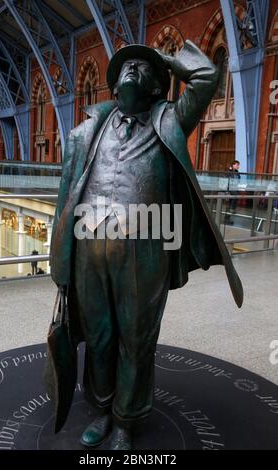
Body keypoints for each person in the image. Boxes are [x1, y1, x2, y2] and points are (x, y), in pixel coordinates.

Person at [47, 40, 243, 450]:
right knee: (100, 337)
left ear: (158, 87)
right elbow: (66, 198)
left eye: (143, 68)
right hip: (89, 248)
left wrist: (166, 61)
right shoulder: (85, 133)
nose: (133, 70)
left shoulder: (170, 120)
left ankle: (126, 420)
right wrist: (61, 264)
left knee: (136, 339)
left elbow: (207, 77)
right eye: (126, 67)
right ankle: (102, 410)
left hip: (147, 248)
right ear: (114, 87)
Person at [225, 160, 241, 225]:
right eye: (237, 165)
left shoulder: (237, 172)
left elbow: (238, 179)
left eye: (238, 165)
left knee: (230, 203)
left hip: (235, 188)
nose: (238, 166)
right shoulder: (229, 171)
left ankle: (227, 218)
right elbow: (226, 179)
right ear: (233, 165)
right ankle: (232, 209)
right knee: (236, 196)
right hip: (230, 188)